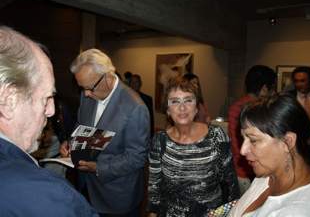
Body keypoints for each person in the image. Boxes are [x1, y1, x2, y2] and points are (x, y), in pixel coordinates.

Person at [0, 26, 98, 216]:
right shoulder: (47, 194)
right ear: (9, 98)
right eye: (46, 97)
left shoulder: (133, 108)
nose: (52, 110)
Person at [60, 48, 150, 216]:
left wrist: (98, 167)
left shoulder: (135, 107)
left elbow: (137, 157)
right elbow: (82, 125)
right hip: (85, 187)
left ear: (108, 77)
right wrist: (71, 142)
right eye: (82, 88)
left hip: (116, 196)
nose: (86, 94)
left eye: (89, 88)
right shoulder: (88, 93)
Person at [147, 77, 239, 217]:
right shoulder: (159, 141)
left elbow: (230, 185)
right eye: (175, 101)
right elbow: (154, 186)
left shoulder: (216, 136)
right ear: (167, 110)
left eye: (188, 100)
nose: (182, 107)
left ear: (196, 108)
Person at [228, 94, 310, 216]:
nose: (243, 151)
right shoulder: (269, 173)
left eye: (253, 140)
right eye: (243, 139)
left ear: (288, 142)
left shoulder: (300, 212)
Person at [228, 65, 276, 195]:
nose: (273, 93)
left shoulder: (235, 106)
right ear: (264, 88)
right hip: (251, 172)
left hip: (241, 170)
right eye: (272, 88)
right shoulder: (261, 111)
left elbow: (235, 145)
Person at [289, 66, 310, 171]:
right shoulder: (289, 98)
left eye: (303, 81)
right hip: (298, 147)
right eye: (296, 81)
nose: (299, 84)